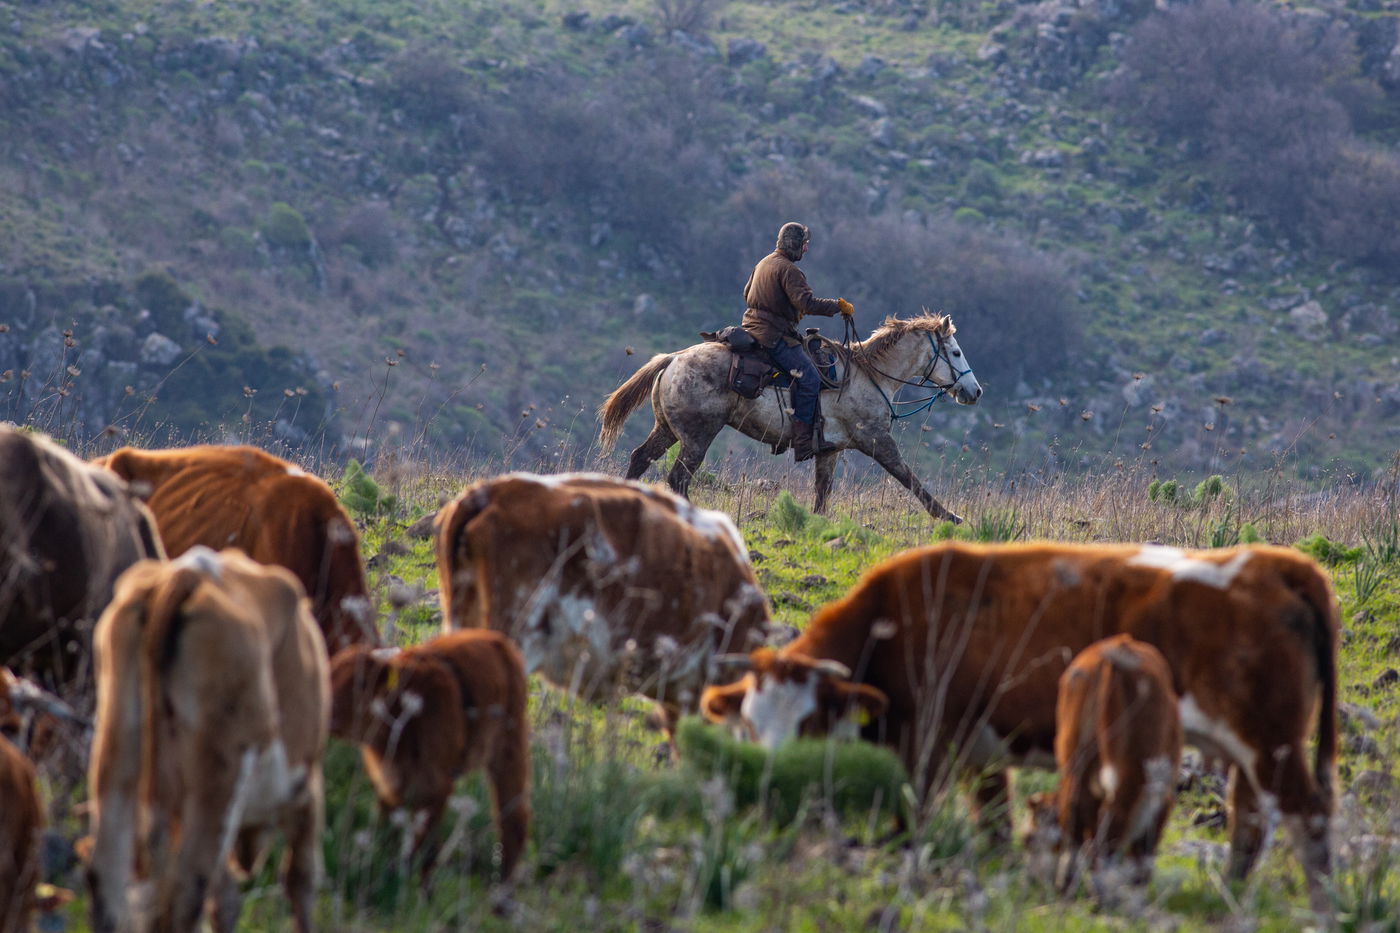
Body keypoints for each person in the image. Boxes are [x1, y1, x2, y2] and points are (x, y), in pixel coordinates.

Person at [741, 221, 855, 462]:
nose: (806, 250)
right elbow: (807, 303)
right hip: (772, 335)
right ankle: (803, 443)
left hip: (753, 328)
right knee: (810, 377)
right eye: (804, 244)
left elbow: (747, 293)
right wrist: (838, 306)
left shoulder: (764, 262)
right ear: (794, 244)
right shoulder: (789, 270)